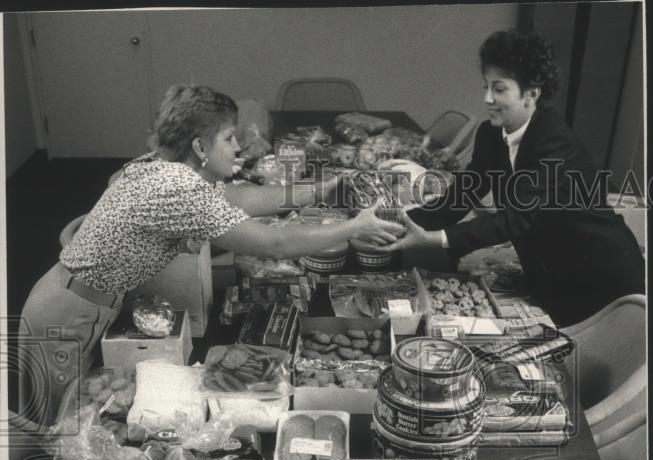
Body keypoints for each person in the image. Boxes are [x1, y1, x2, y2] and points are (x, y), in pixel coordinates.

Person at [19, 84, 403, 424]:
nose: (238, 147)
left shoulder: (168, 167)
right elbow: (275, 245)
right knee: (60, 431)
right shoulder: (179, 189)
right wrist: (356, 227)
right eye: (229, 138)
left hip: (79, 300)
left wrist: (320, 189)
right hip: (68, 314)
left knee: (80, 417)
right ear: (201, 147)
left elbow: (238, 197)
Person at [390, 30, 645, 326]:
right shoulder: (490, 135)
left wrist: (433, 239)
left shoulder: (554, 140)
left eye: (499, 89)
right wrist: (399, 223)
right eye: (486, 86)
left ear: (531, 93)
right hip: (550, 272)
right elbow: (460, 198)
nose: (487, 98)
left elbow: (516, 218)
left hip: (603, 280)